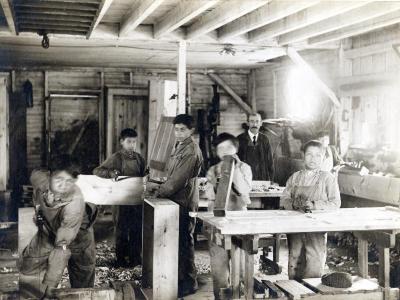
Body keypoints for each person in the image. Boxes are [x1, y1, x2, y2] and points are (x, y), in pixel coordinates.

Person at [20, 156, 97, 299]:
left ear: (74, 181)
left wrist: (50, 287)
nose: (63, 185)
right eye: (58, 180)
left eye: (68, 181)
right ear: (49, 176)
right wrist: (39, 210)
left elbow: (61, 247)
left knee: (82, 284)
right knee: (29, 264)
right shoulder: (40, 180)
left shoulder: (75, 204)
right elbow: (35, 175)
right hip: (48, 230)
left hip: (77, 235)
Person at [147, 114, 203, 298]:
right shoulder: (178, 145)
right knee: (176, 243)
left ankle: (189, 283)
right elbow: (170, 175)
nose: (178, 133)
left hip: (184, 201)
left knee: (184, 243)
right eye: (176, 129)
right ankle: (178, 279)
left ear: (191, 131)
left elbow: (177, 181)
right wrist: (158, 183)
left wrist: (157, 191)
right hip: (175, 199)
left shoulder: (191, 150)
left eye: (182, 130)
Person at [280, 140, 341, 280]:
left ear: (324, 157)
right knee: (295, 258)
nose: (313, 159)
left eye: (318, 155)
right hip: (295, 227)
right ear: (303, 156)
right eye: (309, 155)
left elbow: (335, 203)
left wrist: (315, 205)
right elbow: (284, 200)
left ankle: (311, 293)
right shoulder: (295, 177)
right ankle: (294, 290)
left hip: (316, 227)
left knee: (314, 259)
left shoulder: (328, 179)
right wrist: (294, 204)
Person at [205, 133, 252, 299]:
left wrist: (234, 169)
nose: (224, 151)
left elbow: (244, 191)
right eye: (220, 148)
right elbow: (210, 197)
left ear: (236, 149)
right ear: (216, 151)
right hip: (219, 223)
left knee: (241, 265)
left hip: (239, 222)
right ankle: (221, 296)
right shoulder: (212, 170)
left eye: (228, 148)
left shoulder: (245, 168)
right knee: (218, 264)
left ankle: (242, 295)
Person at [93, 128, 145, 267]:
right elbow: (97, 171)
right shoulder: (116, 158)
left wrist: (147, 174)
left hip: (136, 201)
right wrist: (110, 173)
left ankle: (135, 259)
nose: (132, 145)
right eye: (129, 142)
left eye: (134, 142)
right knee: (122, 231)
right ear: (122, 142)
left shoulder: (139, 158)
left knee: (136, 230)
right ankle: (121, 260)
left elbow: (144, 175)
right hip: (121, 202)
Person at [237, 113, 274, 181]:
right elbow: (236, 162)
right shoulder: (240, 139)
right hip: (244, 179)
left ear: (261, 123)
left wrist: (271, 180)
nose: (254, 124)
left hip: (262, 178)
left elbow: (270, 161)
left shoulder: (265, 139)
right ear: (248, 123)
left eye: (257, 121)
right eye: (252, 121)